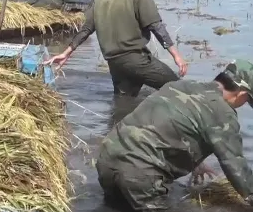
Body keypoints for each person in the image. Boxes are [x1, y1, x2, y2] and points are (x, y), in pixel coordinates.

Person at [95, 59, 253, 211]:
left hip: (107, 160)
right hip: (139, 173)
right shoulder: (223, 112)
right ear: (242, 93)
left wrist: (196, 163)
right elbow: (235, 165)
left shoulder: (180, 85)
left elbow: (165, 126)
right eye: (247, 99)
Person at [45, 0, 187, 97]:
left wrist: (67, 52)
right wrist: (177, 56)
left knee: (123, 105)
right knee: (179, 91)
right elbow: (156, 26)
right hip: (136, 60)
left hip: (115, 63)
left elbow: (86, 28)